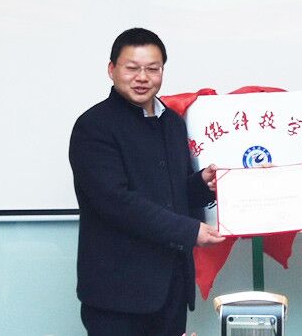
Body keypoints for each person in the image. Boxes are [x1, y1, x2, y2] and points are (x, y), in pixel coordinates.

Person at [69, 27, 225, 336]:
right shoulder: (93, 126)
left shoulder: (172, 123)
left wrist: (201, 184)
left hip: (170, 288)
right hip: (117, 295)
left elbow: (171, 194)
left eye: (153, 69)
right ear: (111, 69)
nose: (143, 77)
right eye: (132, 68)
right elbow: (116, 203)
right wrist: (189, 231)